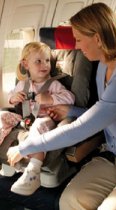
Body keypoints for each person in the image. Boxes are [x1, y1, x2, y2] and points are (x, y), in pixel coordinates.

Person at [2, 2, 116, 210]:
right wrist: (71, 111)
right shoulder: (105, 66)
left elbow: (81, 129)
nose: (77, 46)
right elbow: (105, 111)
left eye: (79, 39)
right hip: (113, 158)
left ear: (97, 38)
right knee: (70, 202)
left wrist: (25, 147)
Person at [0, 41, 75, 196]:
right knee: (1, 116)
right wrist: (14, 98)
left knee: (39, 125)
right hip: (24, 118)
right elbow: (10, 97)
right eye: (38, 61)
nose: (44, 65)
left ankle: (33, 173)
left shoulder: (53, 84)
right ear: (26, 64)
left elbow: (70, 98)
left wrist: (51, 99)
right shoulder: (23, 84)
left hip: (46, 118)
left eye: (47, 60)